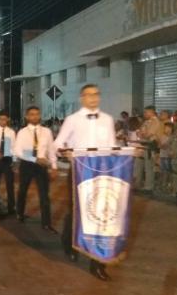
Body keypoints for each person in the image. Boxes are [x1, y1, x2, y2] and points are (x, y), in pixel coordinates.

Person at [53, 84, 116, 281]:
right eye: (88, 95)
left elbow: (112, 145)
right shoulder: (72, 120)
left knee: (102, 214)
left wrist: (126, 153)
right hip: (80, 169)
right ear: (82, 98)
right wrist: (65, 152)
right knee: (77, 212)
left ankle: (98, 262)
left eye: (96, 94)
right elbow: (58, 144)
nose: (93, 98)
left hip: (104, 170)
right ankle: (71, 245)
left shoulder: (108, 119)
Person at [14, 106, 58, 233]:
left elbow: (51, 150)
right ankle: (20, 213)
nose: (35, 116)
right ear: (27, 117)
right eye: (32, 114)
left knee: (44, 195)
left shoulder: (46, 132)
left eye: (37, 114)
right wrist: (34, 159)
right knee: (22, 191)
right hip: (27, 164)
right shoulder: (22, 132)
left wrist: (54, 166)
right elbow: (17, 150)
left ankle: (46, 224)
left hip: (42, 166)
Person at [138, 105, 162, 195]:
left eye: (146, 112)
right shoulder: (146, 122)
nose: (144, 114)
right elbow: (140, 133)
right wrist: (142, 134)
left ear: (152, 112)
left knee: (149, 168)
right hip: (145, 146)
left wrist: (143, 134)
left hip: (151, 147)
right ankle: (146, 186)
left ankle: (149, 188)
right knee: (146, 168)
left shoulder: (155, 122)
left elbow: (148, 134)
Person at [158, 122, 174, 194]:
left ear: (171, 129)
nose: (166, 129)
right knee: (162, 171)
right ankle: (163, 186)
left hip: (169, 157)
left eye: (167, 128)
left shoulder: (173, 137)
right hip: (162, 156)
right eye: (165, 128)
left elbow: (168, 146)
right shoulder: (162, 136)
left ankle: (170, 186)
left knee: (169, 172)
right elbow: (160, 146)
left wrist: (164, 145)